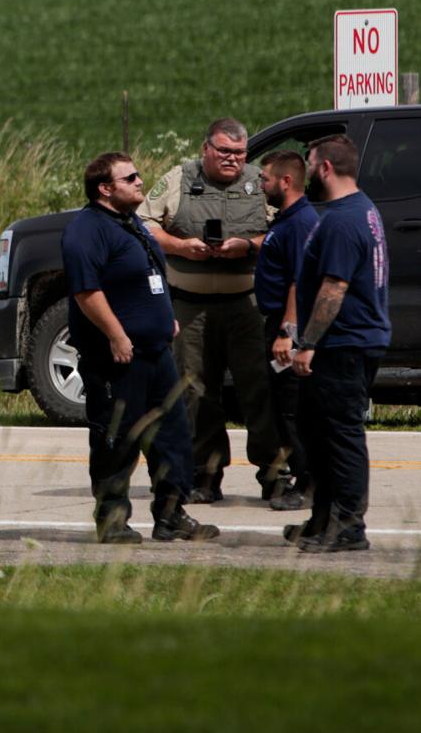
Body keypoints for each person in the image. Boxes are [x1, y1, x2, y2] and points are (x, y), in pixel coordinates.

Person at [63, 151, 219, 544]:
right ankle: (112, 521)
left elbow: (147, 276)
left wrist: (165, 317)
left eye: (137, 175)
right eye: (130, 178)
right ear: (105, 188)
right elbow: (86, 291)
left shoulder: (131, 223)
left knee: (172, 436)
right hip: (117, 358)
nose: (139, 182)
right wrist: (117, 335)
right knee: (117, 439)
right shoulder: (86, 230)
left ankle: (171, 515)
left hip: (156, 352)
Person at [138, 117, 285, 503]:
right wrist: (180, 247)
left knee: (259, 390)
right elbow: (143, 223)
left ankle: (274, 476)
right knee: (196, 392)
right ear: (205, 148)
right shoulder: (178, 179)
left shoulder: (259, 182)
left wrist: (248, 246)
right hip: (191, 307)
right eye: (224, 151)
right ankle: (204, 475)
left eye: (239, 152)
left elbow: (285, 228)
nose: (233, 159)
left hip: (247, 306)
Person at [288, 134, 389, 553]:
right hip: (347, 340)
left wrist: (308, 341)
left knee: (340, 435)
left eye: (310, 164)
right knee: (318, 432)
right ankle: (322, 518)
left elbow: (334, 287)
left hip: (343, 343)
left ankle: (347, 526)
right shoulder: (359, 209)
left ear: (325, 168)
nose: (306, 172)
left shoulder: (344, 221)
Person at [254, 150, 320, 511]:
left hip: (288, 326)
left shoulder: (299, 223)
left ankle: (308, 483)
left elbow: (299, 281)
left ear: (286, 181)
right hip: (278, 322)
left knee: (293, 410)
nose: (261, 185)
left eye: (265, 179)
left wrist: (287, 334)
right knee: (283, 408)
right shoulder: (287, 219)